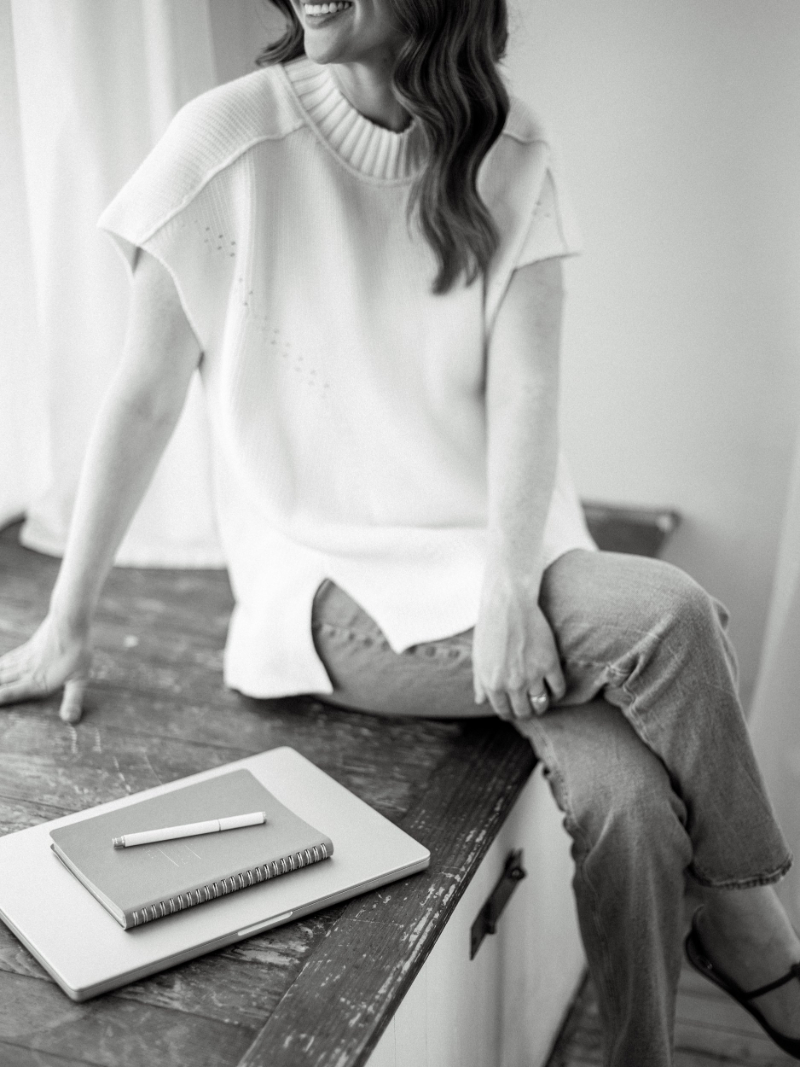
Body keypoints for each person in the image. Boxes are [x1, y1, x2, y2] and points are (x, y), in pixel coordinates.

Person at [0, 1, 798, 1062]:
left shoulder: (509, 147)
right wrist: (70, 615)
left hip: (522, 563)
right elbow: (142, 399)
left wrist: (511, 590)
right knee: (671, 614)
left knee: (630, 799)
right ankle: (748, 923)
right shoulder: (225, 140)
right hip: (340, 594)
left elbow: (524, 399)